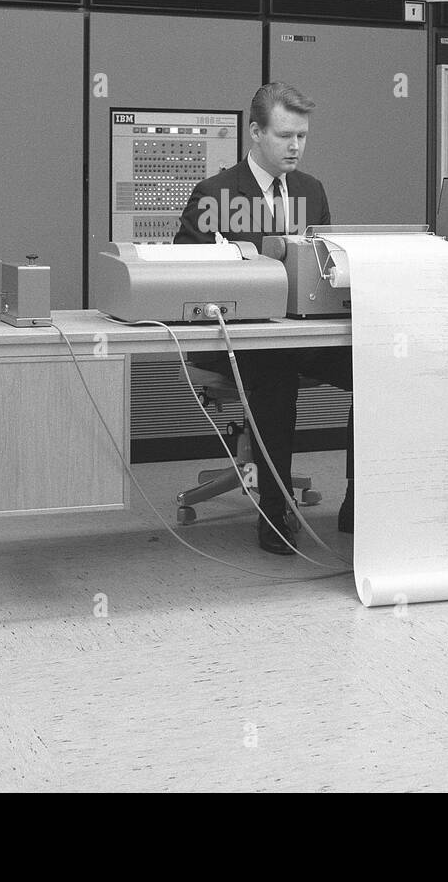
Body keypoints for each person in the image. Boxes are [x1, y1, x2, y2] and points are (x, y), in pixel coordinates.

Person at [175, 83, 354, 554]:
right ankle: (274, 516)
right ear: (255, 132)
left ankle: (360, 501)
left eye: (303, 136)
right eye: (284, 135)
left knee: (374, 368)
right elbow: (183, 274)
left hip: (300, 333)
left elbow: (325, 268)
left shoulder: (312, 191)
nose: (295, 146)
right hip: (233, 340)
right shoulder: (214, 193)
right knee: (275, 373)